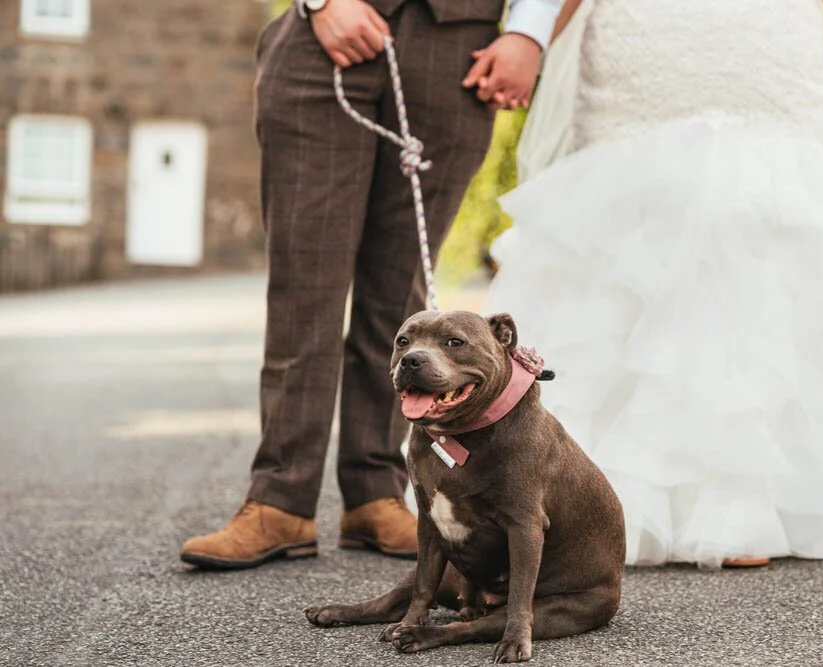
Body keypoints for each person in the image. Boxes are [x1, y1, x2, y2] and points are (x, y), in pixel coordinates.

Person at [485, 0, 823, 568]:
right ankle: (573, 499)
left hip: (766, 43)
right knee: (639, 222)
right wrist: (528, 42)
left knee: (775, 223)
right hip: (643, 41)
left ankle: (759, 503)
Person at [180, 0, 559, 570]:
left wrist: (529, 34)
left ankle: (375, 493)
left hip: (458, 53)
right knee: (303, 291)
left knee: (400, 298)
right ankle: (280, 500)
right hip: (323, 42)